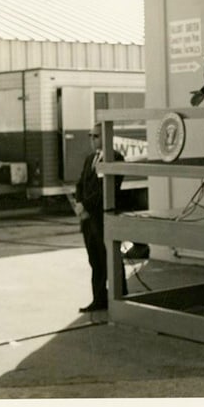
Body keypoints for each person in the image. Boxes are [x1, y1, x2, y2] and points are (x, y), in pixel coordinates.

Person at [73, 127, 127, 313]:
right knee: (95, 260)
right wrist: (79, 203)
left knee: (110, 257)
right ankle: (99, 299)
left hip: (102, 218)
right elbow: (80, 183)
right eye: (90, 136)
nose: (92, 139)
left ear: (106, 137)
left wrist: (85, 206)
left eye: (95, 136)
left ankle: (121, 296)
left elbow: (107, 189)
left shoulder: (115, 158)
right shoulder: (90, 159)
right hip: (88, 220)